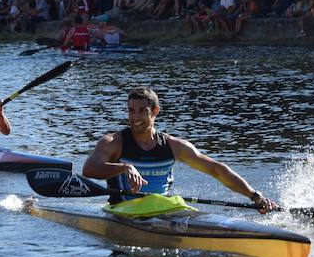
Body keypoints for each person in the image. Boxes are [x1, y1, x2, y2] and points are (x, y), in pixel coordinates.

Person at [82, 87, 279, 213]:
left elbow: (217, 170)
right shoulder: (114, 142)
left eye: (143, 110)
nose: (135, 117)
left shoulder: (174, 146)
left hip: (164, 210)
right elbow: (89, 169)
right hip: (125, 212)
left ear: (155, 111)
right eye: (131, 110)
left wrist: (255, 196)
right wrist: (124, 168)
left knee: (196, 216)